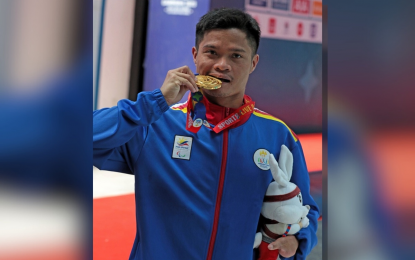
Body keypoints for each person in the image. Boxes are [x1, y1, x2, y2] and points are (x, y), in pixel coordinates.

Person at [93, 8, 319, 260]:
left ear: (253, 63)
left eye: (236, 55)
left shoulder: (278, 135)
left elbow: (305, 207)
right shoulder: (155, 124)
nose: (222, 65)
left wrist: (298, 241)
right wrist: (153, 103)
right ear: (195, 55)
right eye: (212, 53)